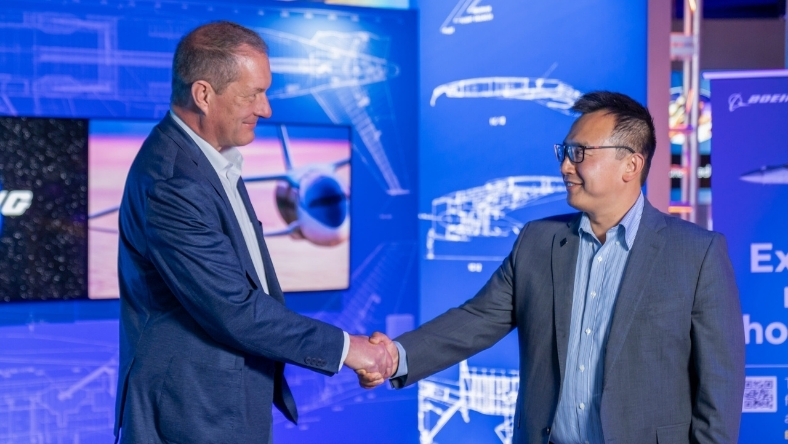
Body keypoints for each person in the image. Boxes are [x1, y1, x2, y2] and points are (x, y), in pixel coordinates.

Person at [370, 92, 745, 443]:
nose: (566, 166)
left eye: (580, 152)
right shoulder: (538, 241)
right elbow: (476, 320)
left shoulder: (696, 253)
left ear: (630, 164)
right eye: (565, 151)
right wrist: (395, 357)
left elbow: (720, 387)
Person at [113, 21, 392, 444]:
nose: (266, 109)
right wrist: (349, 350)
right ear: (204, 94)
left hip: (222, 406)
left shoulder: (210, 157)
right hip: (189, 416)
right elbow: (235, 310)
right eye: (252, 94)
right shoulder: (173, 183)